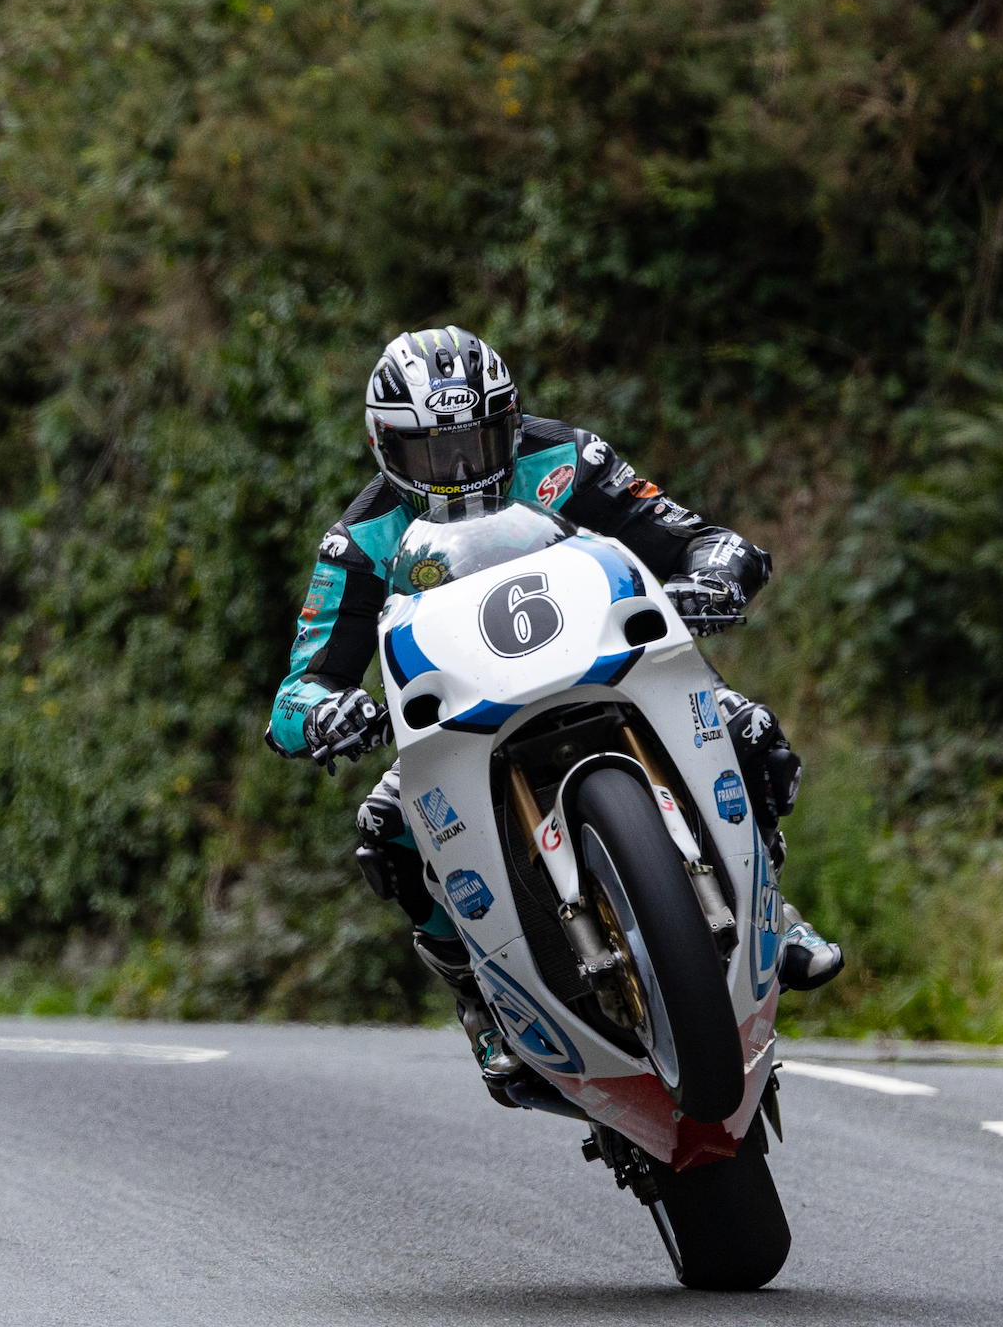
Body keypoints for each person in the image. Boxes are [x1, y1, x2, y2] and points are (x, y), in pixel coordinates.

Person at [264, 326, 841, 1089]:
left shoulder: (568, 456)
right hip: (467, 721)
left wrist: (718, 570)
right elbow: (296, 691)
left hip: (608, 670)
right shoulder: (358, 542)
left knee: (748, 730)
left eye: (480, 440)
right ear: (386, 449)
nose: (463, 469)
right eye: (435, 456)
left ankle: (775, 905)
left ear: (511, 420)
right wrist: (330, 712)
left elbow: (688, 532)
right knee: (385, 833)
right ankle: (480, 1001)